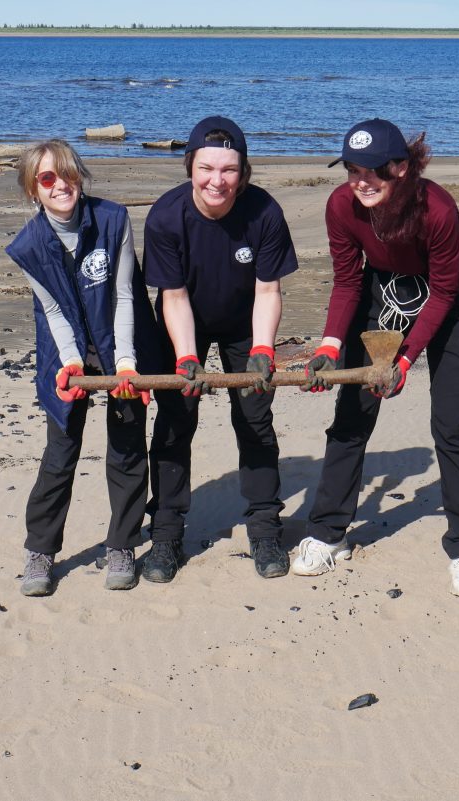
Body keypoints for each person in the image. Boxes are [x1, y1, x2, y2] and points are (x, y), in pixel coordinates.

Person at [295, 118, 459, 597]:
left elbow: (445, 290)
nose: (360, 180)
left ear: (401, 168)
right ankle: (329, 533)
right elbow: (348, 281)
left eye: (372, 170)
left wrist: (405, 360)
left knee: (454, 424)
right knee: (352, 414)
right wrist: (329, 345)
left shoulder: (438, 210)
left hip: (454, 300)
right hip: (384, 293)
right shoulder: (341, 206)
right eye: (351, 169)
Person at [142, 115, 298, 582]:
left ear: (243, 173)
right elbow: (173, 298)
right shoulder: (166, 217)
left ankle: (266, 529)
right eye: (207, 168)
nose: (217, 180)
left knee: (254, 419)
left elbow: (268, 292)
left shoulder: (264, 212)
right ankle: (166, 535)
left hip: (244, 322)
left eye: (229, 170)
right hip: (182, 319)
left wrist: (265, 351)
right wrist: (187, 358)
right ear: (190, 166)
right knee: (175, 422)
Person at [5, 139, 161, 595]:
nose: (60, 185)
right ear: (34, 190)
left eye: (67, 173)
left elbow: (126, 294)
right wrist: (73, 362)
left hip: (122, 345)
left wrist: (127, 363)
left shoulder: (113, 220)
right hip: (66, 352)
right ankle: (40, 551)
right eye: (47, 178)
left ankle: (122, 544)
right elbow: (53, 312)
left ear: (79, 175)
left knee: (129, 447)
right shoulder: (28, 245)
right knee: (60, 453)